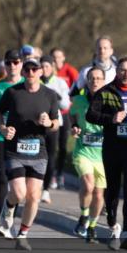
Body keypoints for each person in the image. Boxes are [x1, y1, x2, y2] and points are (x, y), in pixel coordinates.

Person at [0, 56, 61, 251]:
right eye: (27, 70)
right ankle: (8, 208)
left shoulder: (50, 95)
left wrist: (48, 124)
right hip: (15, 149)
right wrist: (3, 129)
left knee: (33, 196)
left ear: (41, 72)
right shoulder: (13, 92)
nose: (30, 73)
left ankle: (23, 234)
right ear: (23, 72)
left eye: (34, 69)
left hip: (39, 151)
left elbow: (56, 123)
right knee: (19, 192)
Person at [86, 57, 127, 251]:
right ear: (117, 72)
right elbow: (90, 115)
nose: (126, 74)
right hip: (113, 147)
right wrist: (111, 118)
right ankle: (113, 223)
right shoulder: (105, 92)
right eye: (123, 70)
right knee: (113, 188)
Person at [0, 49, 24, 238]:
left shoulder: (29, 84)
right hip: (2, 137)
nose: (12, 66)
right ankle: (4, 224)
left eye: (16, 62)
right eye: (8, 63)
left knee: (20, 186)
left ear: (22, 64)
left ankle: (10, 219)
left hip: (24, 138)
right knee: (3, 179)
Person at [69, 67, 107, 242]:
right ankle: (84, 215)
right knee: (88, 185)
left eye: (99, 78)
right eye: (92, 78)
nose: (95, 81)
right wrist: (74, 127)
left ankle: (92, 226)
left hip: (103, 155)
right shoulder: (78, 100)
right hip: (83, 151)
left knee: (99, 195)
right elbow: (72, 118)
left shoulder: (111, 103)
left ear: (104, 82)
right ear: (87, 81)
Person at [40, 56, 71, 203]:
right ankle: (35, 185)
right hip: (36, 124)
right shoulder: (34, 81)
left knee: (50, 157)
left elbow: (65, 104)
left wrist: (55, 95)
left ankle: (45, 189)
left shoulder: (60, 82)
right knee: (36, 156)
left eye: (47, 66)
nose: (44, 69)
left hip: (53, 124)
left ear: (52, 67)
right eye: (42, 66)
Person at [51, 46, 79, 192]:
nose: (56, 60)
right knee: (51, 146)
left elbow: (79, 87)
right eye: (54, 57)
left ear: (63, 58)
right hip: (51, 114)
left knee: (62, 145)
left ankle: (60, 173)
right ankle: (51, 174)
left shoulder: (70, 71)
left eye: (59, 57)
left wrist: (74, 105)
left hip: (66, 112)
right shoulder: (47, 71)